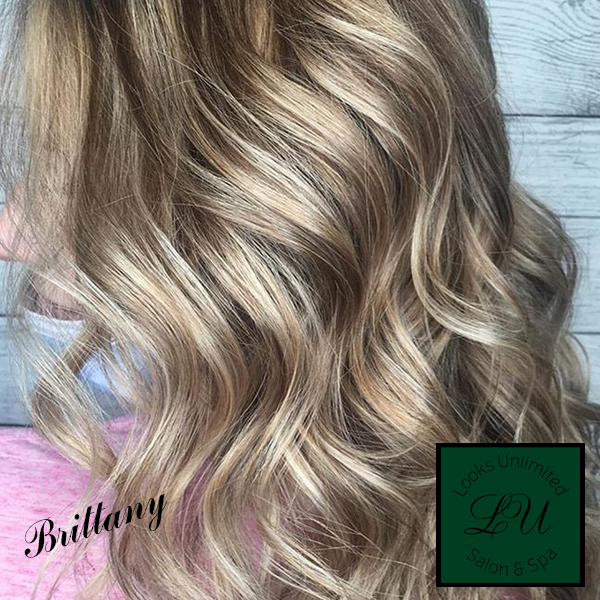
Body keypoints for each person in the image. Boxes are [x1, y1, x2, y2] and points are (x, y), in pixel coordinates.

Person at [0, 0, 598, 599]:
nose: (10, 232)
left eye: (56, 165)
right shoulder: (508, 488)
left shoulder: (25, 527)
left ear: (229, 244)